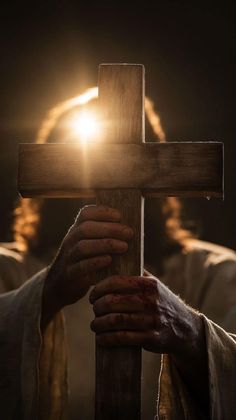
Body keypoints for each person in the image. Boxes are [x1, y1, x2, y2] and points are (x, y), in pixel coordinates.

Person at [0, 88, 236, 420]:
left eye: (125, 158)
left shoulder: (216, 273)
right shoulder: (7, 269)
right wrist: (47, 293)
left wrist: (190, 332)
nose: (109, 169)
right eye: (92, 156)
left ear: (157, 170)